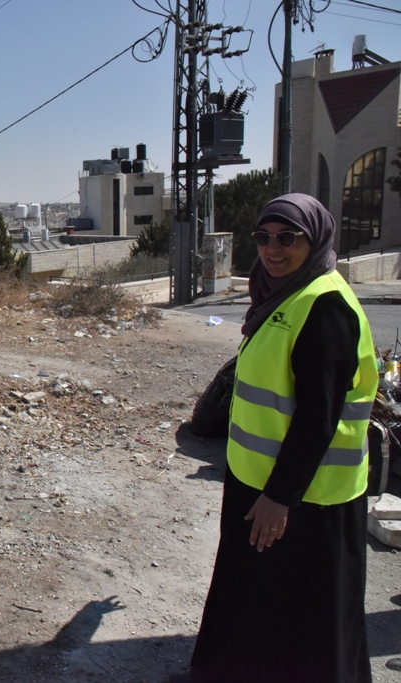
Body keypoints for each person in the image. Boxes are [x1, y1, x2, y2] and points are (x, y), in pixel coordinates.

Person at [175, 194, 378, 683]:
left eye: (288, 238)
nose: (273, 249)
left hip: (308, 500)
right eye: (264, 237)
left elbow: (318, 418)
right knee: (254, 601)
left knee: (310, 621)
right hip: (258, 482)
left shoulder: (325, 307)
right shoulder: (282, 295)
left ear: (316, 239)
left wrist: (279, 498)